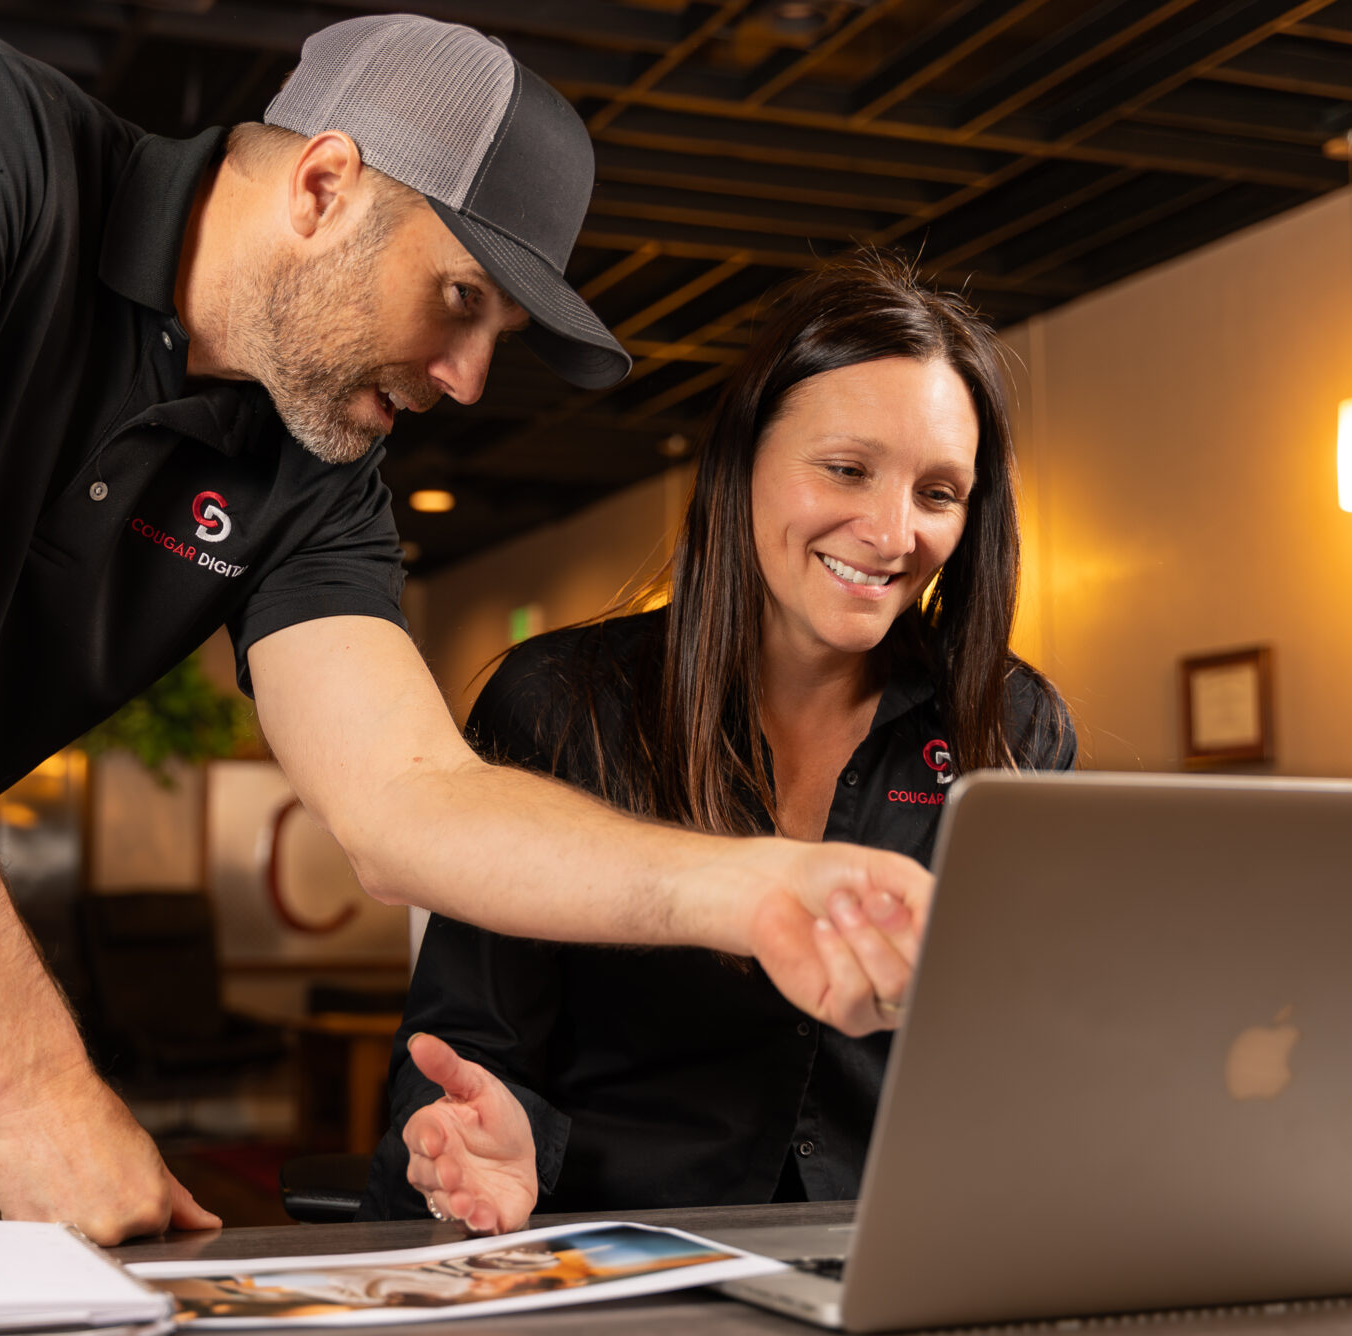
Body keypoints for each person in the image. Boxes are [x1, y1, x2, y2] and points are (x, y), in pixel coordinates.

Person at [0, 15, 933, 1252]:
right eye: (461, 299)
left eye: (497, 333)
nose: (467, 380)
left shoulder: (316, 472)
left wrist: (752, 890)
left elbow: (410, 799)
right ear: (323, 185)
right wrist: (41, 1082)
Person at [361, 251, 1077, 1233]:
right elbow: (456, 1056)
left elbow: (1037, 1055)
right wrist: (486, 1135)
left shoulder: (1012, 724)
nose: (888, 530)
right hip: (616, 1260)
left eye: (937, 493)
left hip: (893, 1260)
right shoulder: (565, 705)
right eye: (845, 469)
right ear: (739, 464)